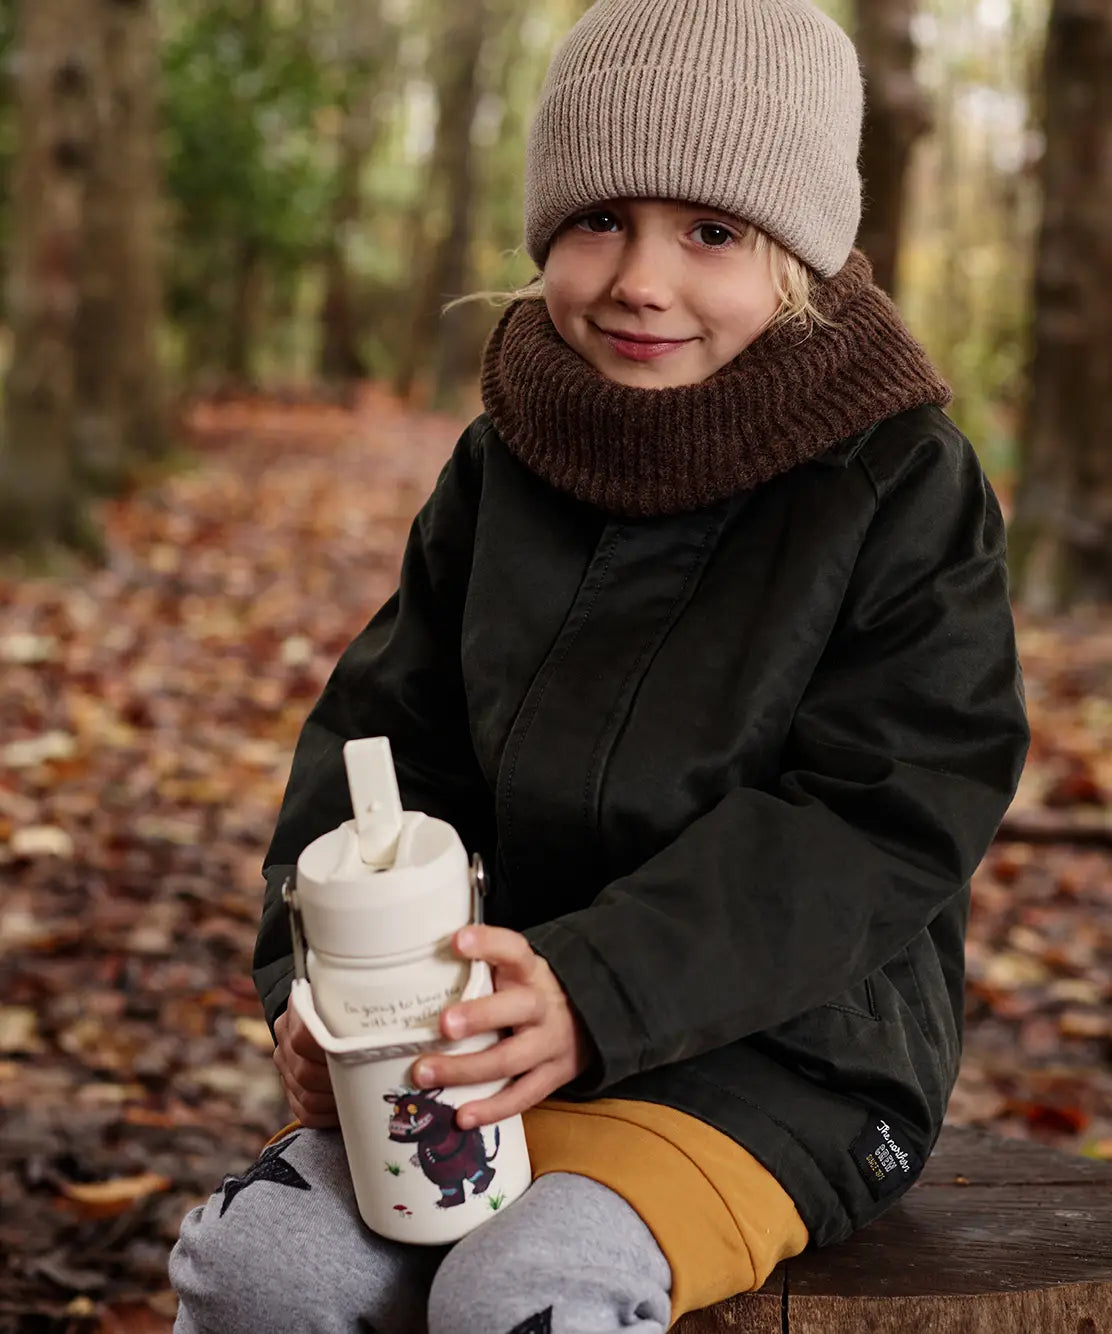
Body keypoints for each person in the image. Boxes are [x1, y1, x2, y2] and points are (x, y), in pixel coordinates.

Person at [169, 0, 1030, 1330]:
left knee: (528, 1291)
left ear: (801, 254)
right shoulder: (505, 458)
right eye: (597, 220)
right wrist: (323, 992)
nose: (640, 277)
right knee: (258, 1265)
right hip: (472, 1045)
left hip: (782, 1060)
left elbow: (890, 807)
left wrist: (599, 986)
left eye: (712, 232)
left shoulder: (897, 480)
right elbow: (387, 745)